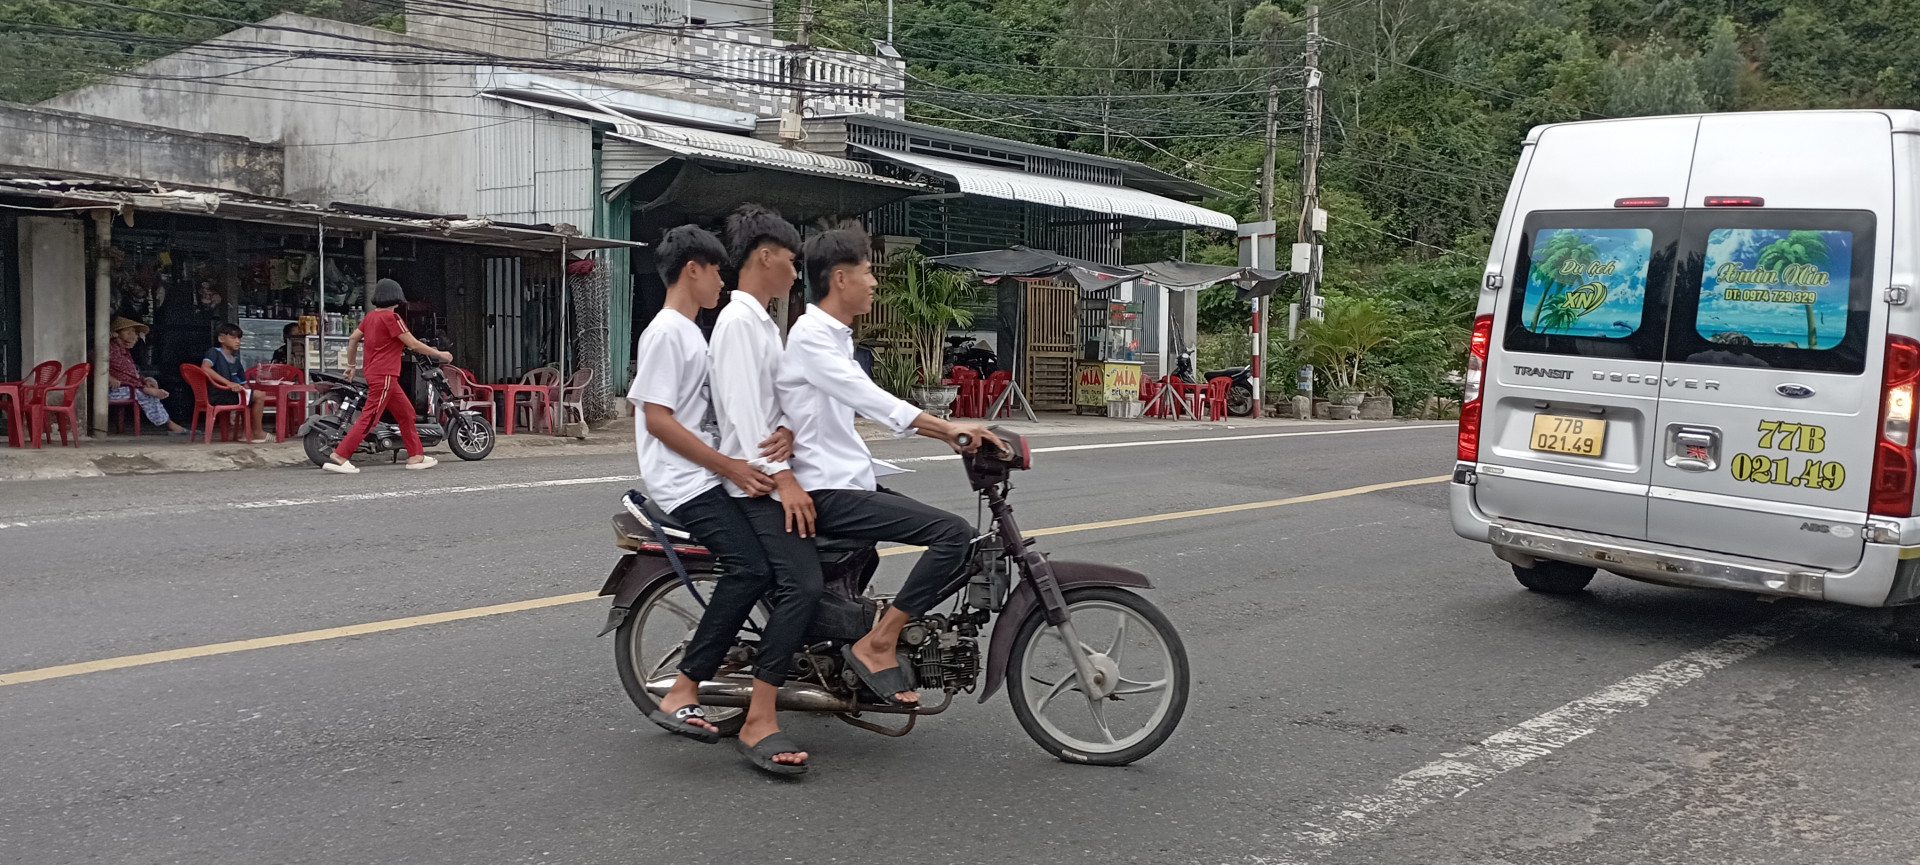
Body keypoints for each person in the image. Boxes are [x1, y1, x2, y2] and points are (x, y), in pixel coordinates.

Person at [777, 226, 998, 706]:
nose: (874, 282)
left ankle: (848, 640)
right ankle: (878, 642)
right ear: (840, 278)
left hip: (846, 480)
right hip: (826, 491)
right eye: (868, 271)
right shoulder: (812, 337)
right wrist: (950, 431)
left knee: (939, 541)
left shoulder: (835, 338)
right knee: (952, 534)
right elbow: (870, 399)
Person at [631, 225, 812, 776]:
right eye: (713, 271)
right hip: (685, 483)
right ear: (693, 269)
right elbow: (658, 420)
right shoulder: (667, 332)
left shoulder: (692, 331)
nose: (720, 280)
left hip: (706, 474)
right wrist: (730, 465)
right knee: (749, 568)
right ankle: (683, 687)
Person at [323, 278, 451, 474]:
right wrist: (440, 354)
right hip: (385, 375)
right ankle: (340, 456)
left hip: (377, 373)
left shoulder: (371, 317)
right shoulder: (393, 319)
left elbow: (353, 338)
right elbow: (413, 344)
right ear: (397, 297)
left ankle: (416, 456)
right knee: (370, 416)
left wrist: (351, 365)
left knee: (406, 413)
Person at [106, 317, 189, 435]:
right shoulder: (107, 349)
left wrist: (144, 380)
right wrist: (109, 377)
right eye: (127, 332)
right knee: (147, 394)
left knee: (151, 383)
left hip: (129, 387)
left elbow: (129, 374)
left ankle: (169, 422)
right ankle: (171, 425)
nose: (132, 336)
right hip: (112, 389)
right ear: (116, 334)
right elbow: (93, 363)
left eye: (134, 333)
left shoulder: (125, 352)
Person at [200, 323, 269, 444]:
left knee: (253, 396)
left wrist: (249, 392)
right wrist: (228, 383)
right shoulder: (214, 352)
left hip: (231, 394)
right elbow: (205, 368)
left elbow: (243, 382)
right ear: (221, 338)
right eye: (233, 337)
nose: (238, 341)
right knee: (259, 396)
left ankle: (245, 433)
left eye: (239, 338)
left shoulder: (235, 360)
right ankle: (257, 432)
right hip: (218, 394)